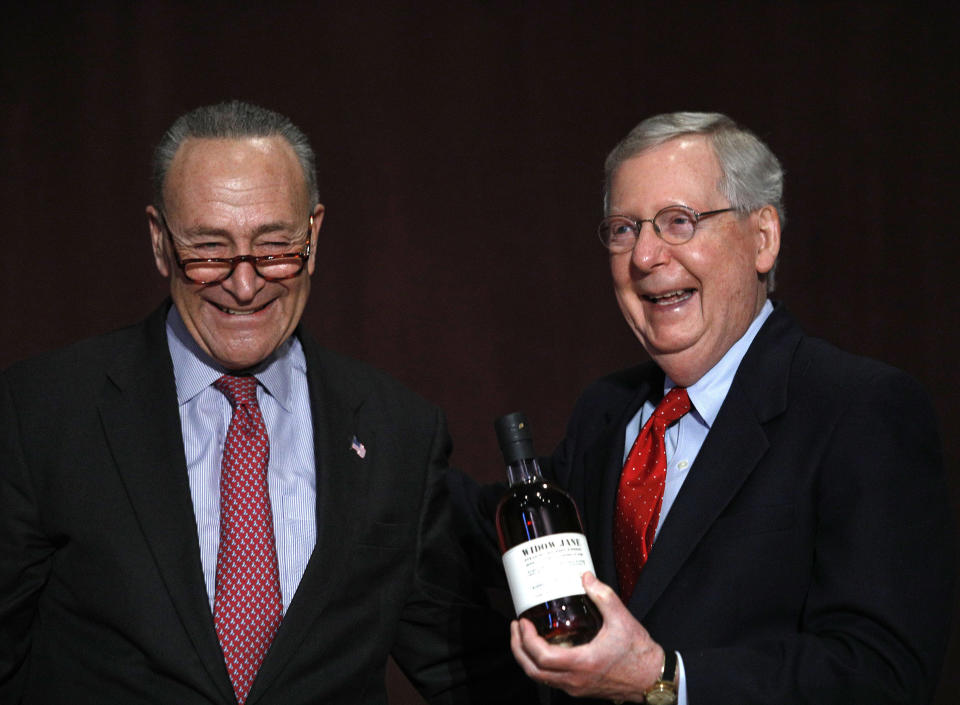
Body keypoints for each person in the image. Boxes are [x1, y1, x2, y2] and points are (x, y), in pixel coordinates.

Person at [0, 100, 530, 704]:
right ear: (158, 243)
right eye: (208, 250)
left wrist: (649, 682)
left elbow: (466, 669)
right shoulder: (42, 412)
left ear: (315, 234)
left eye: (275, 246)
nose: (245, 284)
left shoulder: (397, 431)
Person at [498, 113, 954, 704]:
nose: (644, 256)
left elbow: (883, 674)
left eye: (678, 222)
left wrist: (667, 681)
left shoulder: (862, 410)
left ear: (762, 238)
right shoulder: (603, 415)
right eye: (622, 230)